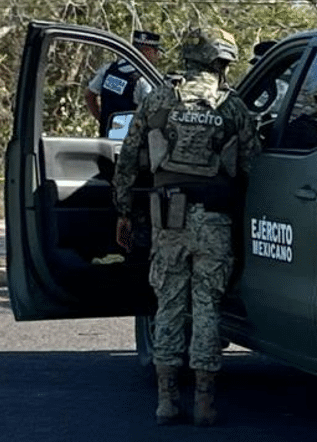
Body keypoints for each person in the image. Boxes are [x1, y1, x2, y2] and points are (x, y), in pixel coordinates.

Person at [111, 27, 260, 426]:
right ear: (221, 62)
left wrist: (124, 211)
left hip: (168, 218)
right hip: (214, 220)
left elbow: (128, 159)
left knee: (170, 305)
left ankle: (165, 400)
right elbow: (253, 166)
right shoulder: (232, 106)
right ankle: (206, 402)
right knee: (208, 305)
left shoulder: (159, 98)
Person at [86, 30, 164, 136]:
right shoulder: (144, 80)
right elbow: (153, 114)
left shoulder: (109, 69)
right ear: (148, 51)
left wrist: (103, 120)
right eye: (156, 52)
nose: (157, 57)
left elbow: (89, 95)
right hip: (130, 144)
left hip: (106, 137)